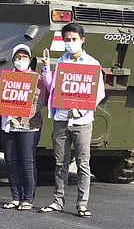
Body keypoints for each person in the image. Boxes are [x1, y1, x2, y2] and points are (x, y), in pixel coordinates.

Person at [40, 22, 105, 218]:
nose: (70, 43)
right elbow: (53, 88)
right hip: (61, 119)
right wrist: (45, 70)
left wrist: (82, 109)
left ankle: (82, 204)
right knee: (60, 163)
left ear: (82, 40)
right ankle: (57, 201)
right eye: (67, 40)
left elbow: (98, 93)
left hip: (82, 122)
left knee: (83, 164)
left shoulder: (92, 64)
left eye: (73, 39)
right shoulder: (61, 62)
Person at [0, 44, 46, 211]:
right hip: (8, 126)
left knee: (27, 162)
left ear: (30, 60)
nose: (21, 60)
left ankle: (28, 199)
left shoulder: (36, 78)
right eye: (17, 58)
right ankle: (15, 197)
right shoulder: (7, 77)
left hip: (28, 127)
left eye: (24, 57)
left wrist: (22, 117)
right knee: (10, 162)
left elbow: (40, 102)